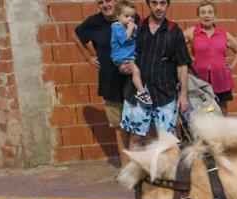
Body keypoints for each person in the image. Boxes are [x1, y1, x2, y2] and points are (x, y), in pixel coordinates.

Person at [119, 0, 192, 149]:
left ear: (167, 5)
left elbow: (182, 64)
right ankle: (138, 171)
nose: (158, 7)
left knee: (167, 140)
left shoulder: (174, 31)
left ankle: (165, 172)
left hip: (165, 93)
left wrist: (183, 95)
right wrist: (123, 68)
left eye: (162, 3)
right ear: (148, 4)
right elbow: (122, 54)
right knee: (137, 136)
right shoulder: (136, 28)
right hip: (138, 92)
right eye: (154, 3)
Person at [73, 0, 139, 162]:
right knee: (119, 127)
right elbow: (76, 36)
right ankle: (125, 166)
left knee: (139, 126)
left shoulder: (130, 15)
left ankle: (139, 166)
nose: (105, 5)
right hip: (110, 82)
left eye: (108, 0)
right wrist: (89, 57)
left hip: (133, 81)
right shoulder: (93, 22)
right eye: (100, 2)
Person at [183, 1, 237, 115]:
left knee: (222, 110)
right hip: (199, 80)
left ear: (215, 16)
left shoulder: (223, 33)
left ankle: (222, 133)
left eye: (210, 12)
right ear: (198, 16)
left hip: (221, 79)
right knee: (201, 111)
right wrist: (188, 57)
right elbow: (175, 43)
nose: (206, 15)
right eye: (203, 12)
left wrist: (231, 66)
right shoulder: (193, 32)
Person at [111, 1, 151, 105]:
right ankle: (141, 92)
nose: (130, 19)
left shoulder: (129, 27)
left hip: (129, 56)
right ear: (118, 16)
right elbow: (124, 38)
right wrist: (130, 28)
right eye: (126, 16)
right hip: (121, 57)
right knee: (136, 71)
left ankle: (141, 90)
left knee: (137, 70)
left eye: (132, 17)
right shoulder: (117, 27)